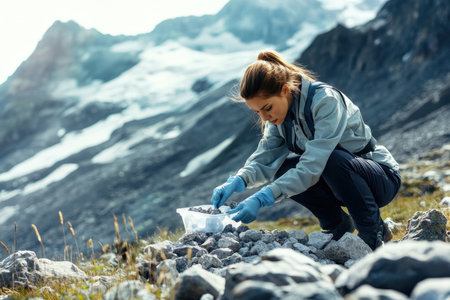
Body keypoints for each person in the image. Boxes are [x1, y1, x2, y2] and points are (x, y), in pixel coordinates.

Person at [210, 50, 401, 250]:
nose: (264, 118)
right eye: (257, 112)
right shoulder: (279, 117)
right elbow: (265, 158)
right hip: (340, 181)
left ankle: (373, 233)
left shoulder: (325, 101)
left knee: (332, 159)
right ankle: (338, 226)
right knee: (282, 169)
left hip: (380, 179)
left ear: (284, 90)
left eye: (267, 108)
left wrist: (263, 197)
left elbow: (313, 165)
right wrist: (239, 180)